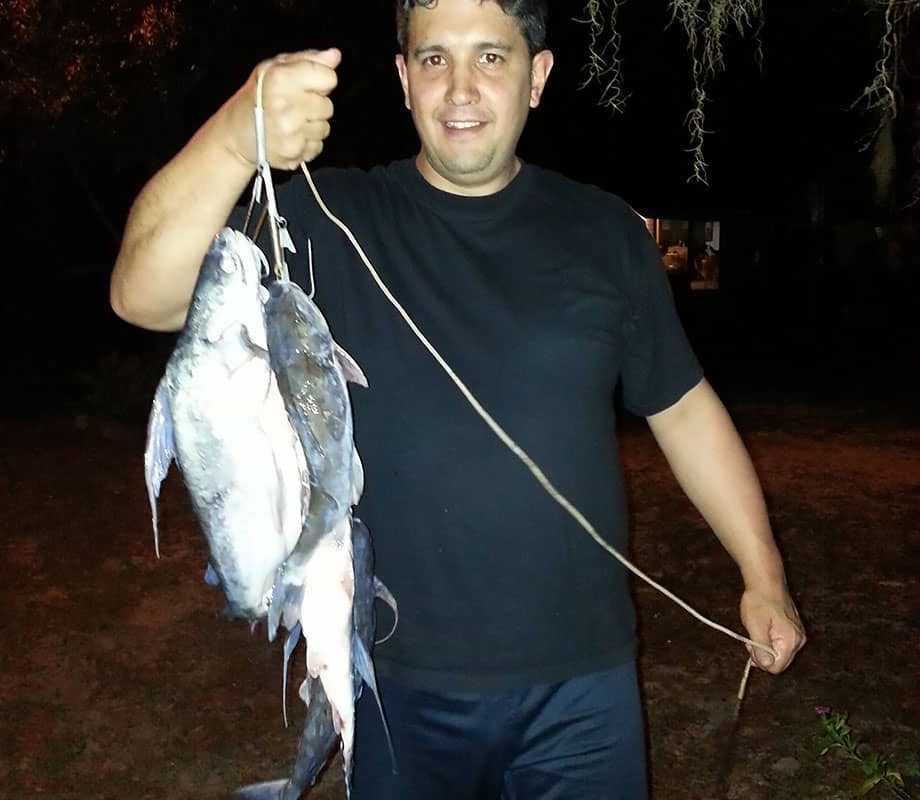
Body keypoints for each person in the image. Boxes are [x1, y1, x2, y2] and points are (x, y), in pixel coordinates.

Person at [110, 0, 806, 797]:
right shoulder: (329, 219)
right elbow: (144, 293)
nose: (461, 88)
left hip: (582, 686)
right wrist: (238, 134)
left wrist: (763, 572)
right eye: (435, 60)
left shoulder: (606, 235)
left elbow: (683, 409)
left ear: (538, 78)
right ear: (404, 81)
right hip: (392, 678)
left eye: (492, 58)